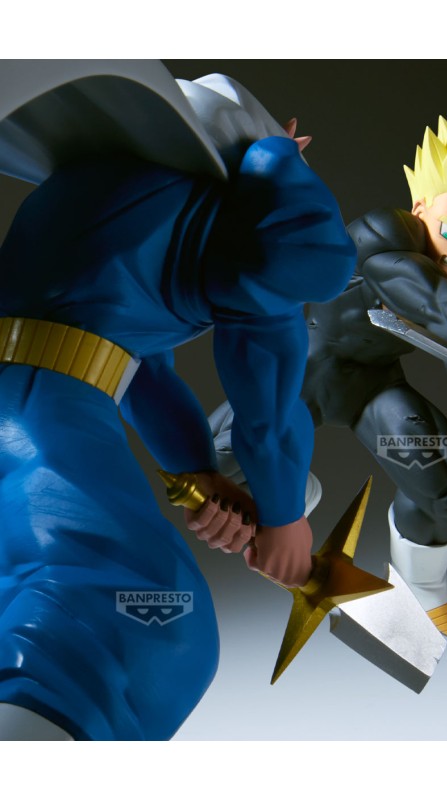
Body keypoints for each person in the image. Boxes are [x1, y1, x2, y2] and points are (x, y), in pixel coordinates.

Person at [0, 69, 356, 740]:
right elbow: (265, 392)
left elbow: (139, 370)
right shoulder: (249, 222)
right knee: (144, 620)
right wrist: (284, 520)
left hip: (29, 398)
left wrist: (200, 474)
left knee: (24, 597)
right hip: (34, 411)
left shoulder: (109, 193)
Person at [205, 100, 447, 640]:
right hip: (302, 369)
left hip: (372, 388)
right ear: (421, 203)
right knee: (211, 458)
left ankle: (419, 588)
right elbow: (424, 294)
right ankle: (286, 496)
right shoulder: (381, 234)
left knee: (440, 482)